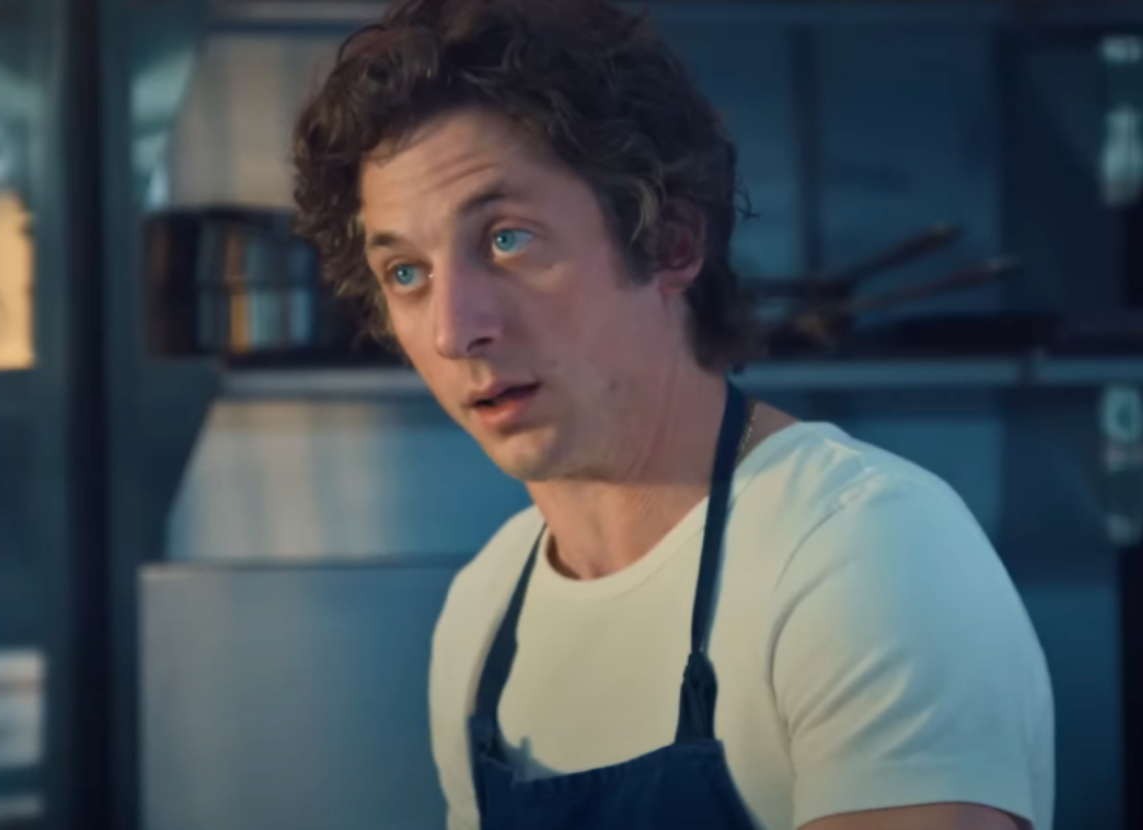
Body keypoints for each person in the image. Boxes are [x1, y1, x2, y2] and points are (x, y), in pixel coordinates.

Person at [291, 1, 1056, 828]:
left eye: (508, 239)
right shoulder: (484, 614)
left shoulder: (864, 553)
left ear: (670, 243)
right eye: (406, 272)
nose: (452, 329)